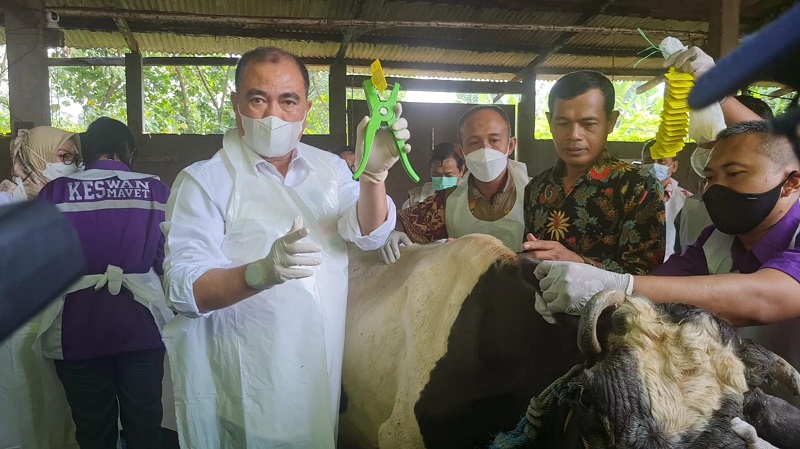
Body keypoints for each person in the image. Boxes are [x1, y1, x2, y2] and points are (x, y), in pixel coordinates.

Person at [161, 46, 402, 447]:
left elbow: (368, 233)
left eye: (288, 100)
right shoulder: (205, 181)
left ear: (306, 110)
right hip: (243, 383)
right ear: (238, 106)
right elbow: (184, 288)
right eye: (258, 99)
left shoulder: (329, 169)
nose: (273, 114)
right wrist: (259, 273)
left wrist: (373, 176)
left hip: (315, 377)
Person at [534, 122, 800, 378]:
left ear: (791, 182)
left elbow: (764, 298)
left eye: (734, 174)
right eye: (709, 178)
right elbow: (660, 288)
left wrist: (614, 286)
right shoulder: (716, 241)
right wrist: (581, 292)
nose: (715, 188)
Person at [35, 117, 173, 449]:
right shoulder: (156, 190)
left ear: (87, 153)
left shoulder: (56, 192)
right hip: (142, 326)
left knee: (93, 430)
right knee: (146, 426)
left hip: (76, 329)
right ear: (130, 152)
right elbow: (166, 258)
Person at [522, 71, 666, 274]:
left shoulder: (638, 186)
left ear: (611, 122)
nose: (574, 136)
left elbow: (646, 274)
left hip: (608, 305)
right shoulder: (537, 187)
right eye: (563, 123)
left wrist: (577, 263)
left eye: (588, 124)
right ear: (549, 121)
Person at [0, 126, 81, 449]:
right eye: (62, 157)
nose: (70, 165)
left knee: (60, 405)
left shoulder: (73, 198)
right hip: (17, 327)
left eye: (74, 158)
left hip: (62, 318)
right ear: (36, 156)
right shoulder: (6, 199)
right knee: (22, 404)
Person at [384, 105, 529, 264]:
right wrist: (392, 232)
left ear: (511, 145)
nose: (485, 149)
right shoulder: (447, 202)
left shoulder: (537, 195)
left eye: (494, 140)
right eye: (474, 142)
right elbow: (403, 222)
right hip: (467, 287)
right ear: (461, 151)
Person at [641, 139, 694, 260]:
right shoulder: (628, 196)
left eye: (661, 161)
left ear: (674, 166)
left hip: (672, 271)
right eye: (649, 160)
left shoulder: (687, 201)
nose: (654, 166)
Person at [0, 126, 81, 205]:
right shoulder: (5, 201)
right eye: (65, 156)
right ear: (34, 158)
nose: (73, 164)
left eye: (75, 158)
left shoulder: (76, 196)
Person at [401, 141, 465, 209]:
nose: (442, 181)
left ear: (461, 171)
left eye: (449, 175)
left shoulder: (470, 200)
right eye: (436, 175)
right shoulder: (414, 201)